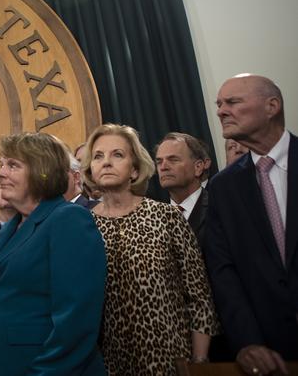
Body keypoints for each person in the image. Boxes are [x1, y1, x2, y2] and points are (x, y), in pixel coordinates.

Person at [83, 124, 219, 374]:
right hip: (105, 365)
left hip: (169, 362)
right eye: (98, 156)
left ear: (134, 170)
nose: (106, 162)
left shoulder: (166, 216)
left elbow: (199, 297)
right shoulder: (81, 226)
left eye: (117, 155)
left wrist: (198, 363)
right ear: (90, 169)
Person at [0, 133, 106, 375]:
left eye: (13, 165)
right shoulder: (14, 226)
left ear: (42, 171)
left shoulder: (69, 219)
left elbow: (76, 320)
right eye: (2, 165)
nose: (1, 173)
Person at [206, 74, 297, 374]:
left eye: (233, 102)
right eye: (219, 104)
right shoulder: (222, 188)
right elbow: (224, 271)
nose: (221, 111)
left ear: (272, 106)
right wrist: (247, 341)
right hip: (269, 356)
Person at [155, 132, 210, 243]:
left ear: (198, 167)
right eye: (159, 162)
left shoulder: (218, 206)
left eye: (173, 160)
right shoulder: (153, 217)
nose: (163, 167)